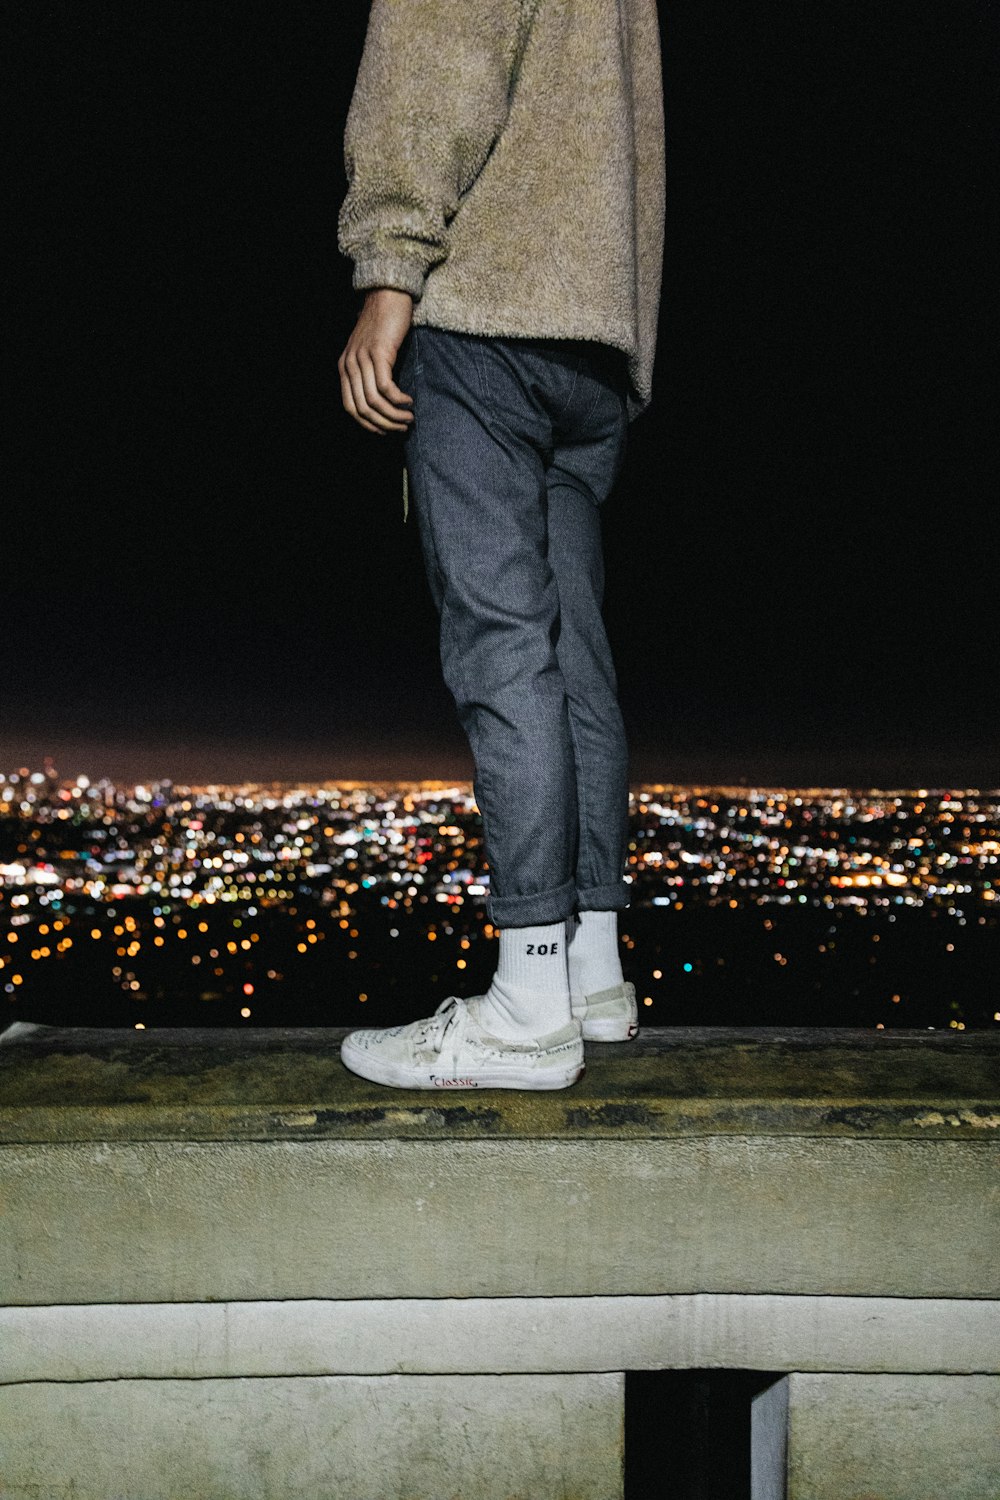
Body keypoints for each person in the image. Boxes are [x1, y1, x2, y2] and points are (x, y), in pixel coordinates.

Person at [336, 0, 664, 1090]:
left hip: (487, 319)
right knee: (575, 660)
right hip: (596, 342)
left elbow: (432, 67)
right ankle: (589, 973)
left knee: (501, 647)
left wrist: (389, 270)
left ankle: (525, 1006)